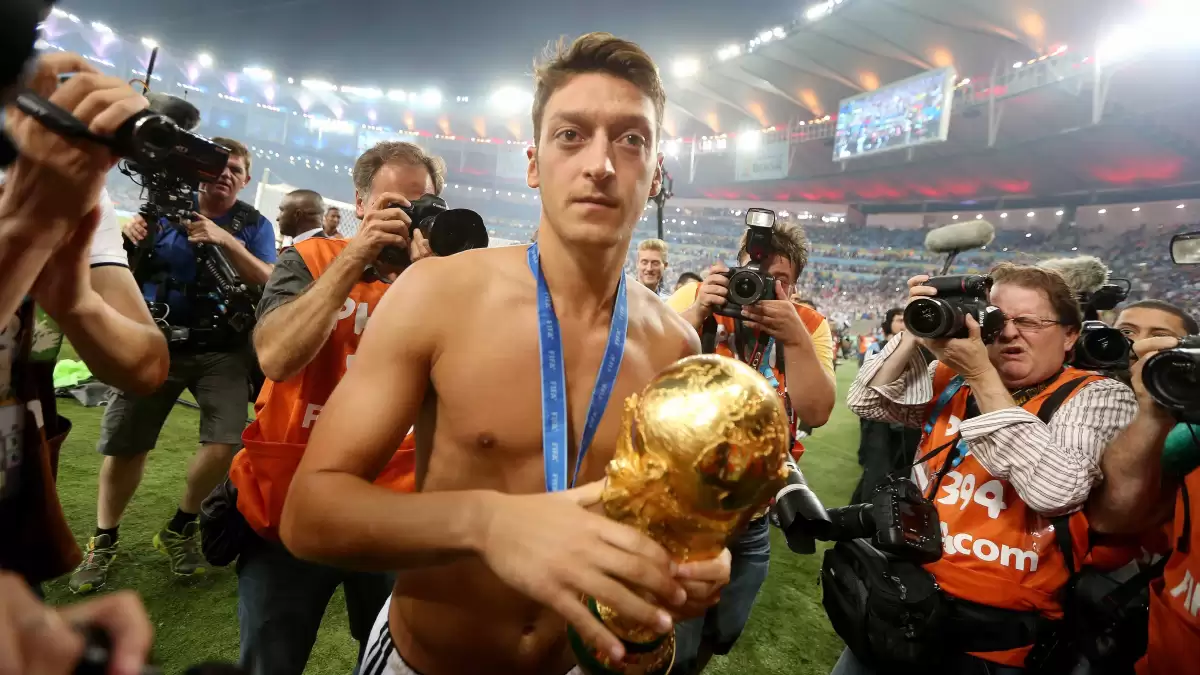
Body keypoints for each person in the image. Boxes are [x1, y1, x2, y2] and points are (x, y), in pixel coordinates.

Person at [279, 33, 730, 675]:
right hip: (428, 660)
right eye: (571, 135)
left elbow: (655, 515)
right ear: (533, 163)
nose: (601, 163)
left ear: (656, 173)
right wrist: (486, 523)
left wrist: (689, 563)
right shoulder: (438, 293)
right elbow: (308, 514)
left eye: (631, 139)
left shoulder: (675, 346)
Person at [841, 264, 1138, 673]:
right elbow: (869, 402)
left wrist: (982, 375)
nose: (1010, 333)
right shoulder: (952, 378)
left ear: (1070, 334)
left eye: (1029, 322)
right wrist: (917, 326)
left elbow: (1055, 492)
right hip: (901, 597)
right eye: (998, 319)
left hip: (994, 635)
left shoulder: (1097, 395)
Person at [231, 143, 439, 675]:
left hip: (392, 505)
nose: (408, 220)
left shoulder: (443, 279)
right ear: (361, 204)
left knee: (399, 659)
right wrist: (353, 259)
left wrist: (431, 285)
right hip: (289, 495)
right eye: (395, 205)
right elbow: (276, 357)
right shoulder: (310, 258)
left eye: (423, 205)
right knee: (270, 658)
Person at [0, 51, 160, 675]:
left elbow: (145, 364)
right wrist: (24, 233)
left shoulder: (62, 184)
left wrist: (75, 302)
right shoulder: (41, 193)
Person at [71, 136, 279, 593]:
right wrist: (128, 240)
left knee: (225, 442)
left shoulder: (254, 224)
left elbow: (270, 279)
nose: (225, 176)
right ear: (200, 172)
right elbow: (113, 270)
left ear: (246, 180)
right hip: (155, 343)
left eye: (235, 170)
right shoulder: (158, 213)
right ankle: (104, 537)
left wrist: (224, 240)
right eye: (218, 168)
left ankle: (180, 526)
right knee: (127, 444)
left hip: (222, 349)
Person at [666, 219, 836, 674]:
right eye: (756, 274)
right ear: (737, 267)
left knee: (723, 632)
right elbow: (645, 366)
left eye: (780, 281)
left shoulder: (809, 325)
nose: (763, 289)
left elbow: (817, 411)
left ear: (794, 288)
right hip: (687, 508)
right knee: (674, 638)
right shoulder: (700, 296)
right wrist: (697, 311)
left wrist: (794, 335)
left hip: (754, 517)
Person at [1087, 299, 1200, 675]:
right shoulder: (1084, 394)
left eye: (1159, 337)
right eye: (1127, 333)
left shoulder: (1186, 426)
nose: (1140, 345)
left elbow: (1111, 518)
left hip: (1126, 576)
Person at [850, 307, 924, 504]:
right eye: (899, 320)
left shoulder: (919, 349)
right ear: (888, 324)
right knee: (876, 471)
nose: (904, 324)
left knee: (902, 472)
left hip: (907, 424)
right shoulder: (877, 348)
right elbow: (866, 387)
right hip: (880, 423)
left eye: (906, 320)